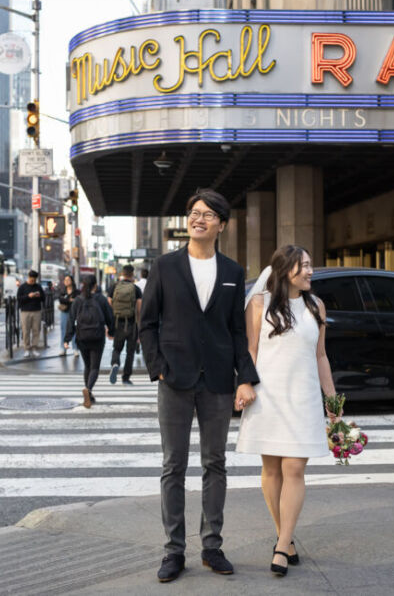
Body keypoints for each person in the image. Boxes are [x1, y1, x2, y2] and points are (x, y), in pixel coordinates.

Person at [139, 188, 259, 583]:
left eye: (208, 214)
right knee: (173, 466)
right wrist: (157, 366)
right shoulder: (166, 266)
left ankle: (212, 546)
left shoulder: (232, 271)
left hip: (218, 381)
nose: (199, 218)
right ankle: (174, 550)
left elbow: (236, 332)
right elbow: (148, 322)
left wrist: (246, 378)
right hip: (174, 378)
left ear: (221, 224)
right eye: (194, 212)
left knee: (215, 464)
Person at [236, 245, 337, 577]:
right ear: (284, 271)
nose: (310, 271)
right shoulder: (259, 304)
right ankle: (287, 537)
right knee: (272, 470)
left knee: (294, 468)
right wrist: (244, 384)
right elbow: (250, 349)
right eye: (303, 266)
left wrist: (333, 402)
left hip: (303, 398)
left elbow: (321, 356)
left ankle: (281, 546)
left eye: (310, 265)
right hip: (268, 396)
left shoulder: (316, 306)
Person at [63, 274, 113, 408]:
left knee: (87, 366)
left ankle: (89, 394)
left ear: (83, 285)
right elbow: (110, 317)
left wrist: (67, 338)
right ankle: (88, 390)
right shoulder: (101, 299)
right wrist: (112, 331)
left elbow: (71, 320)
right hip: (97, 337)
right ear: (95, 286)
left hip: (82, 337)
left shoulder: (78, 300)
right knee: (95, 367)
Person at [108, 264, 142, 385]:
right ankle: (126, 378)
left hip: (118, 323)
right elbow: (139, 309)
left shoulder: (114, 287)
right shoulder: (136, 289)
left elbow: (109, 305)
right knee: (130, 352)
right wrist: (139, 327)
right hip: (132, 324)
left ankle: (115, 363)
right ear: (132, 274)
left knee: (116, 348)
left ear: (122, 274)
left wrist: (110, 324)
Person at [17, 270, 44, 358]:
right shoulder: (22, 287)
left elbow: (44, 298)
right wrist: (28, 296)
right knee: (26, 331)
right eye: (31, 280)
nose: (33, 281)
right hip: (25, 311)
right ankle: (27, 349)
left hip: (36, 311)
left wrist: (39, 295)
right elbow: (19, 299)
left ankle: (35, 348)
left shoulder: (38, 287)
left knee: (36, 330)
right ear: (28, 277)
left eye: (34, 280)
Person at [57, 274, 79, 357]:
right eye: (65, 280)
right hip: (64, 312)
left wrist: (68, 300)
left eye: (68, 280)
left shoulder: (76, 291)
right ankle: (63, 348)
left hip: (74, 313)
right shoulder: (62, 290)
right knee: (63, 330)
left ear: (72, 281)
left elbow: (78, 300)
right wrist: (69, 300)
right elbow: (60, 299)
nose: (66, 281)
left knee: (75, 330)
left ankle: (75, 348)